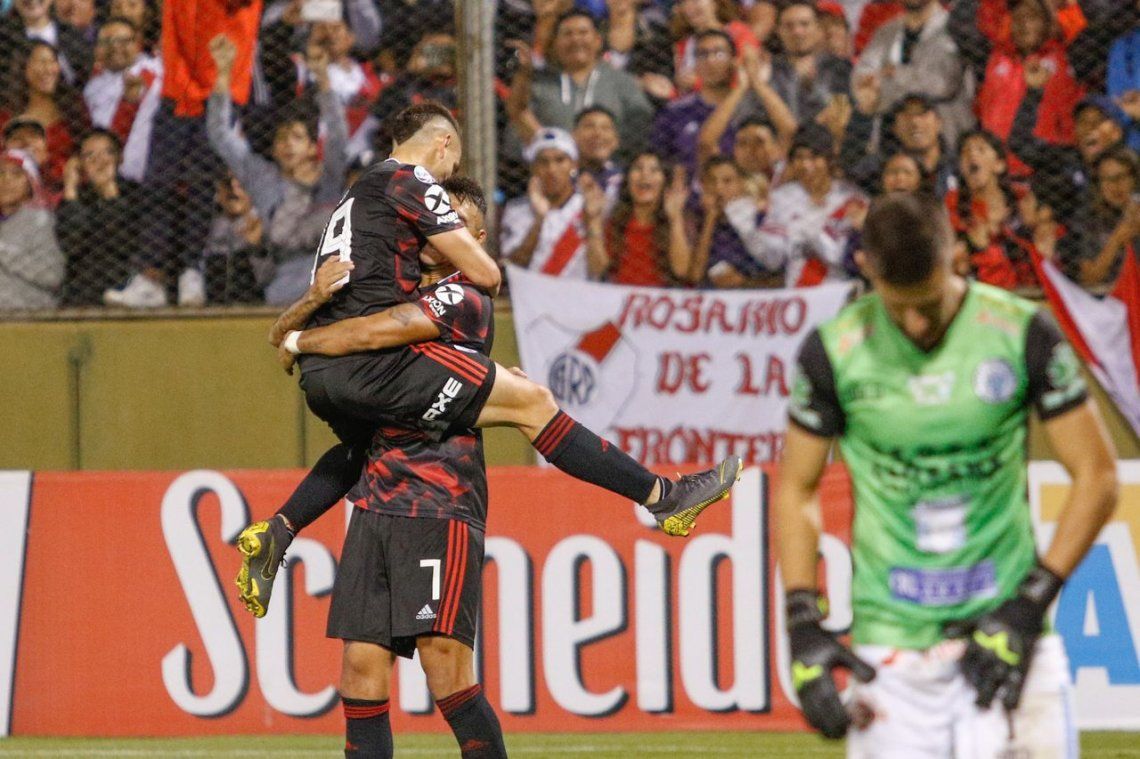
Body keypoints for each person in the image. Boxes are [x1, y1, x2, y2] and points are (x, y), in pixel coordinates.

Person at [237, 163, 741, 617]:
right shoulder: (395, 282)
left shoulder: (463, 294)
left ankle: (659, 495)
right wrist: (309, 299)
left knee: (528, 404)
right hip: (391, 489)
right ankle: (662, 496)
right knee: (364, 676)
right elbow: (285, 337)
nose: (434, 229)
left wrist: (300, 338)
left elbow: (369, 335)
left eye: (449, 222)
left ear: (474, 237)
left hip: (435, 496)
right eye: (430, 221)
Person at [775, 191, 1118, 755]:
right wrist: (801, 621)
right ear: (865, 269)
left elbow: (1098, 476)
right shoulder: (833, 353)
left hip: (1010, 634)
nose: (916, 321)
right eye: (898, 304)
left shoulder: (1021, 333)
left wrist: (1029, 605)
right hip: (891, 651)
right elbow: (797, 488)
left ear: (955, 255)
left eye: (930, 303)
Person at [206, 33, 349, 306]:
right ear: (272, 150)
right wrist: (224, 72)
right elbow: (220, 134)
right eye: (281, 138)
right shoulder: (263, 177)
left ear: (311, 147)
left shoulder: (328, 178)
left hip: (331, 278)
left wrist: (323, 79)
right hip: (282, 285)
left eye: (296, 137)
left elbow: (339, 137)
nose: (287, 144)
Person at [950, 0, 1083, 177]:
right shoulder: (995, 58)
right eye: (1018, 18)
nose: (1024, 24)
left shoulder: (1066, 58)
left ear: (1047, 22)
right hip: (997, 170)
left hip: (1043, 170)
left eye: (1032, 17)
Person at [733, 123, 867, 288]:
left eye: (814, 157)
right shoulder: (781, 198)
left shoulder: (852, 199)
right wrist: (749, 228)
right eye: (799, 158)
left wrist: (802, 229)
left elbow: (841, 257)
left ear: (828, 160)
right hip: (798, 296)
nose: (806, 165)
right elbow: (773, 259)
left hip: (840, 291)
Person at [507, 10, 654, 158]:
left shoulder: (623, 82)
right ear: (555, 42)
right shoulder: (538, 85)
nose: (576, 40)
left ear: (598, 40)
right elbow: (517, 130)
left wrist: (604, 150)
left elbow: (640, 126)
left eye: (583, 33)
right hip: (551, 169)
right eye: (568, 34)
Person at [854, 0, 974, 150]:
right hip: (891, 145)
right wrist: (869, 91)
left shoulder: (955, 29)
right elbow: (863, 75)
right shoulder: (886, 31)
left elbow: (941, 84)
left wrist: (895, 74)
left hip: (948, 144)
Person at [56, 129, 146, 306]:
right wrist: (70, 188)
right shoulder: (74, 198)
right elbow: (72, 244)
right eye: (90, 155)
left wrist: (110, 193)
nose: (100, 161)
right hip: (84, 287)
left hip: (126, 282)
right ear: (79, 163)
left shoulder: (136, 193)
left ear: (120, 158)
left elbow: (124, 243)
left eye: (108, 152)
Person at [499, 127, 603, 280]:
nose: (551, 169)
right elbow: (513, 266)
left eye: (560, 160)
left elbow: (599, 269)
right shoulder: (516, 210)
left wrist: (593, 219)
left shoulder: (587, 205)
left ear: (574, 165)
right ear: (533, 168)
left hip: (580, 298)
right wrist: (540, 219)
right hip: (531, 297)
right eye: (543, 162)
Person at [588, 150, 695, 286]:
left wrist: (675, 218)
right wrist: (594, 219)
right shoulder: (617, 222)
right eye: (638, 168)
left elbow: (682, 271)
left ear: (665, 181)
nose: (645, 175)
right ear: (627, 180)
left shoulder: (681, 220)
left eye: (654, 170)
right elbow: (597, 269)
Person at [0, 41, 89, 193]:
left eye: (52, 61)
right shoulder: (6, 114)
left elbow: (87, 151)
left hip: (66, 193)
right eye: (40, 62)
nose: (48, 69)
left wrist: (52, 164)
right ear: (23, 68)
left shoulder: (73, 107)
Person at [82, 16, 162, 182]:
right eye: (107, 42)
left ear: (138, 44)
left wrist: (130, 101)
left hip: (148, 169)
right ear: (97, 49)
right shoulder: (91, 88)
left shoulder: (152, 71)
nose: (116, 47)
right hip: (107, 168)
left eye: (124, 41)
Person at [840, 89, 955, 198]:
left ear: (939, 123)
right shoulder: (879, 166)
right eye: (906, 116)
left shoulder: (960, 164)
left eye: (922, 114)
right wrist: (862, 114)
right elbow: (847, 176)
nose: (915, 122)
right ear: (895, 129)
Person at [768, 1, 851, 125]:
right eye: (789, 26)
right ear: (778, 31)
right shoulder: (769, 71)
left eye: (805, 24)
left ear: (818, 28)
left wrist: (810, 85)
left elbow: (842, 114)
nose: (797, 32)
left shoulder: (840, 67)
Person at [0, 148, 63, 309]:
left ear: (31, 182)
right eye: (0, 173)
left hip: (30, 312)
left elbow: (52, 275)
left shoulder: (41, 221)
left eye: (16, 174)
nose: (6, 181)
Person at [670, 0, 760, 94]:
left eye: (696, 1)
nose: (689, 7)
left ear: (715, 3)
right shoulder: (684, 44)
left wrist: (698, 83)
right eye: (684, 2)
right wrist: (671, 93)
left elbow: (747, 77)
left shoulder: (739, 33)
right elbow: (680, 91)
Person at [572, 105, 623, 209]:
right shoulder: (561, 178)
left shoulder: (626, 182)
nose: (598, 134)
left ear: (616, 141)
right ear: (573, 136)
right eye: (589, 126)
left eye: (605, 128)